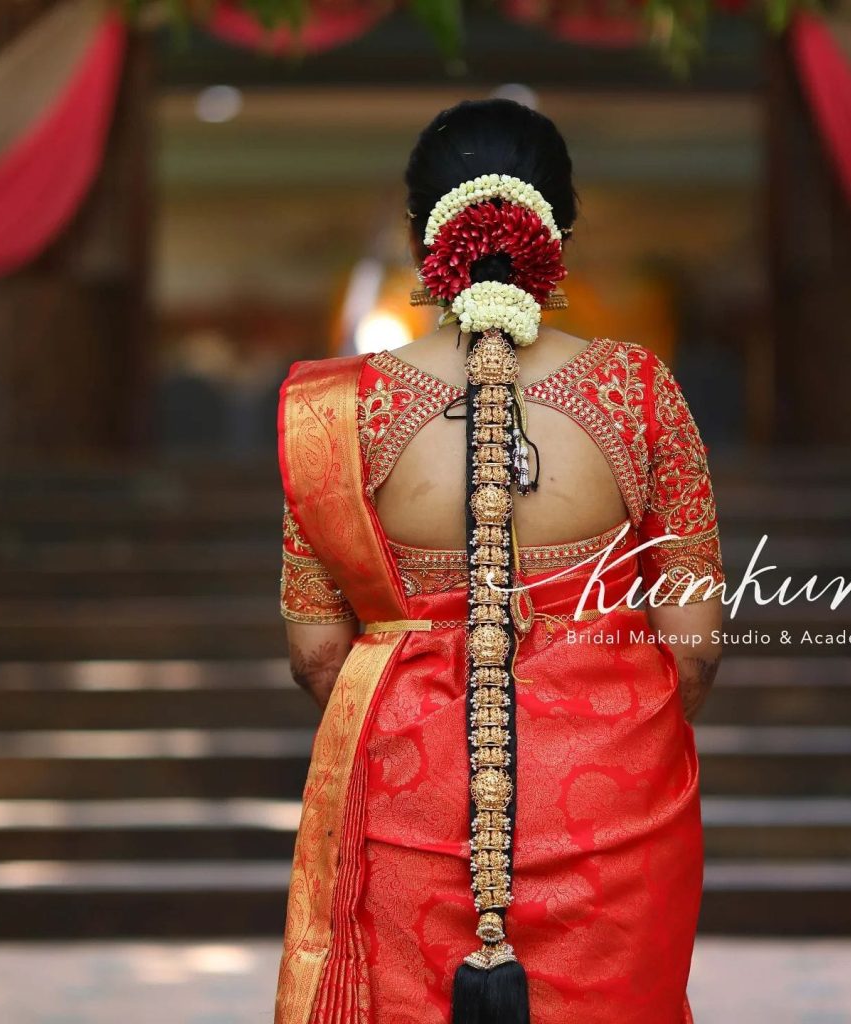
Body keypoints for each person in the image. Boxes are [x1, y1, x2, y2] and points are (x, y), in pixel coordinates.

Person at [274, 98, 724, 1024]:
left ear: (418, 235)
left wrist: (431, 728)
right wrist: (605, 730)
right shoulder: (640, 390)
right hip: (616, 807)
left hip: (411, 805)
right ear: (560, 230)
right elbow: (697, 646)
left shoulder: (338, 414)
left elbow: (317, 653)